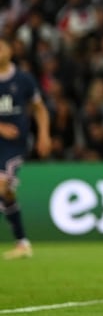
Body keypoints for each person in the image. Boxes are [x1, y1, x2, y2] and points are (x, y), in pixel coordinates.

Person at [0, 37, 51, 259]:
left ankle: (22, 242)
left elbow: (39, 109)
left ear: (10, 50)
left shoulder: (23, 79)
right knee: (7, 193)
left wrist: (44, 135)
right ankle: (22, 242)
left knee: (1, 185)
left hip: (13, 146)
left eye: (2, 46)